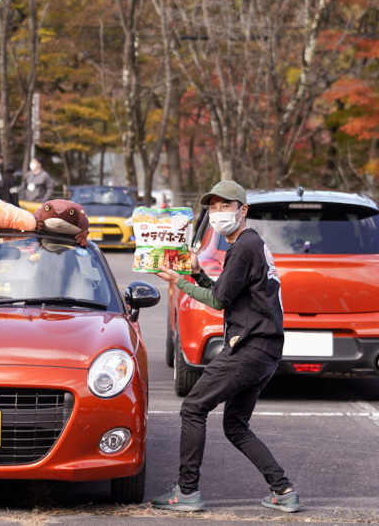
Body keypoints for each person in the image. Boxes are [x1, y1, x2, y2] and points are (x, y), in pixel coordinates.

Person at [151, 180, 300, 514]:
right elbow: (226, 289)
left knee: (193, 408)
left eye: (225, 206)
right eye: (213, 207)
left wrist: (182, 282)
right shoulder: (249, 245)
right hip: (265, 350)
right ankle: (284, 491)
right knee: (234, 425)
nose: (218, 214)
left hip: (249, 347)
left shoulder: (244, 245)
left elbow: (219, 300)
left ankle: (187, 492)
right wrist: (198, 274)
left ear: (243, 210)